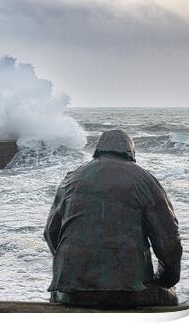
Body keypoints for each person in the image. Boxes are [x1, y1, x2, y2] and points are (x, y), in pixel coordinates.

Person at [44, 129, 182, 307]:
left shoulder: (71, 179)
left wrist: (74, 271)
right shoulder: (144, 179)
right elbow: (169, 241)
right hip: (126, 293)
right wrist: (165, 281)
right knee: (169, 296)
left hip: (70, 293)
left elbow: (50, 232)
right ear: (130, 152)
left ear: (98, 150)